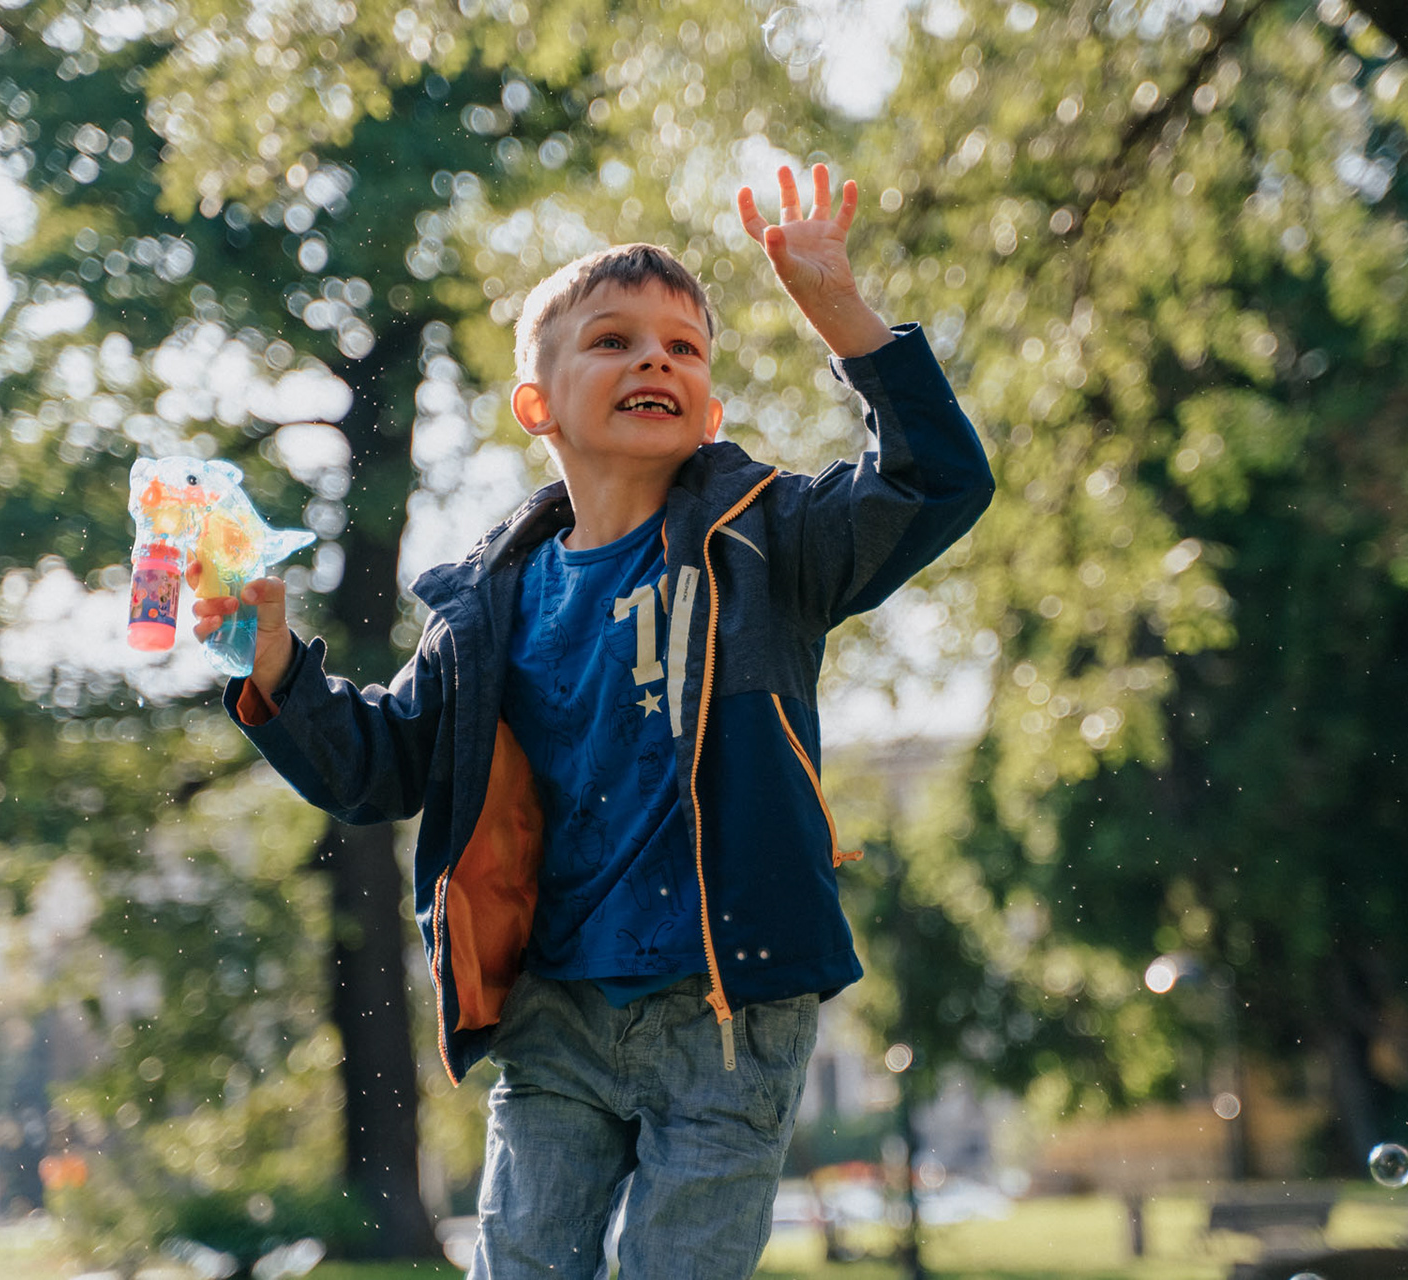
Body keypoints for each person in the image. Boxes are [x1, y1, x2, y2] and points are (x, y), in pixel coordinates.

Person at [192, 162, 993, 1278]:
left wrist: (845, 318)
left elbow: (938, 481)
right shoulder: (488, 606)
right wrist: (272, 658)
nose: (655, 359)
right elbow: (376, 767)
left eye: (684, 347)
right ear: (539, 406)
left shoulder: (770, 541)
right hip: (555, 1014)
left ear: (709, 409)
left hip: (729, 1009)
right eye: (613, 340)